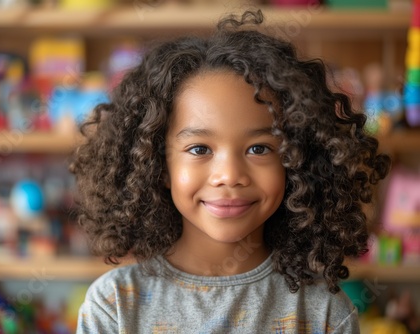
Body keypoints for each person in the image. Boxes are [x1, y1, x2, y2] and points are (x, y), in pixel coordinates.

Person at [70, 10, 391, 333]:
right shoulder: (115, 305)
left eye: (259, 148)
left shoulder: (323, 311)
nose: (229, 175)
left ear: (295, 162)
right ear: (159, 164)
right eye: (199, 149)